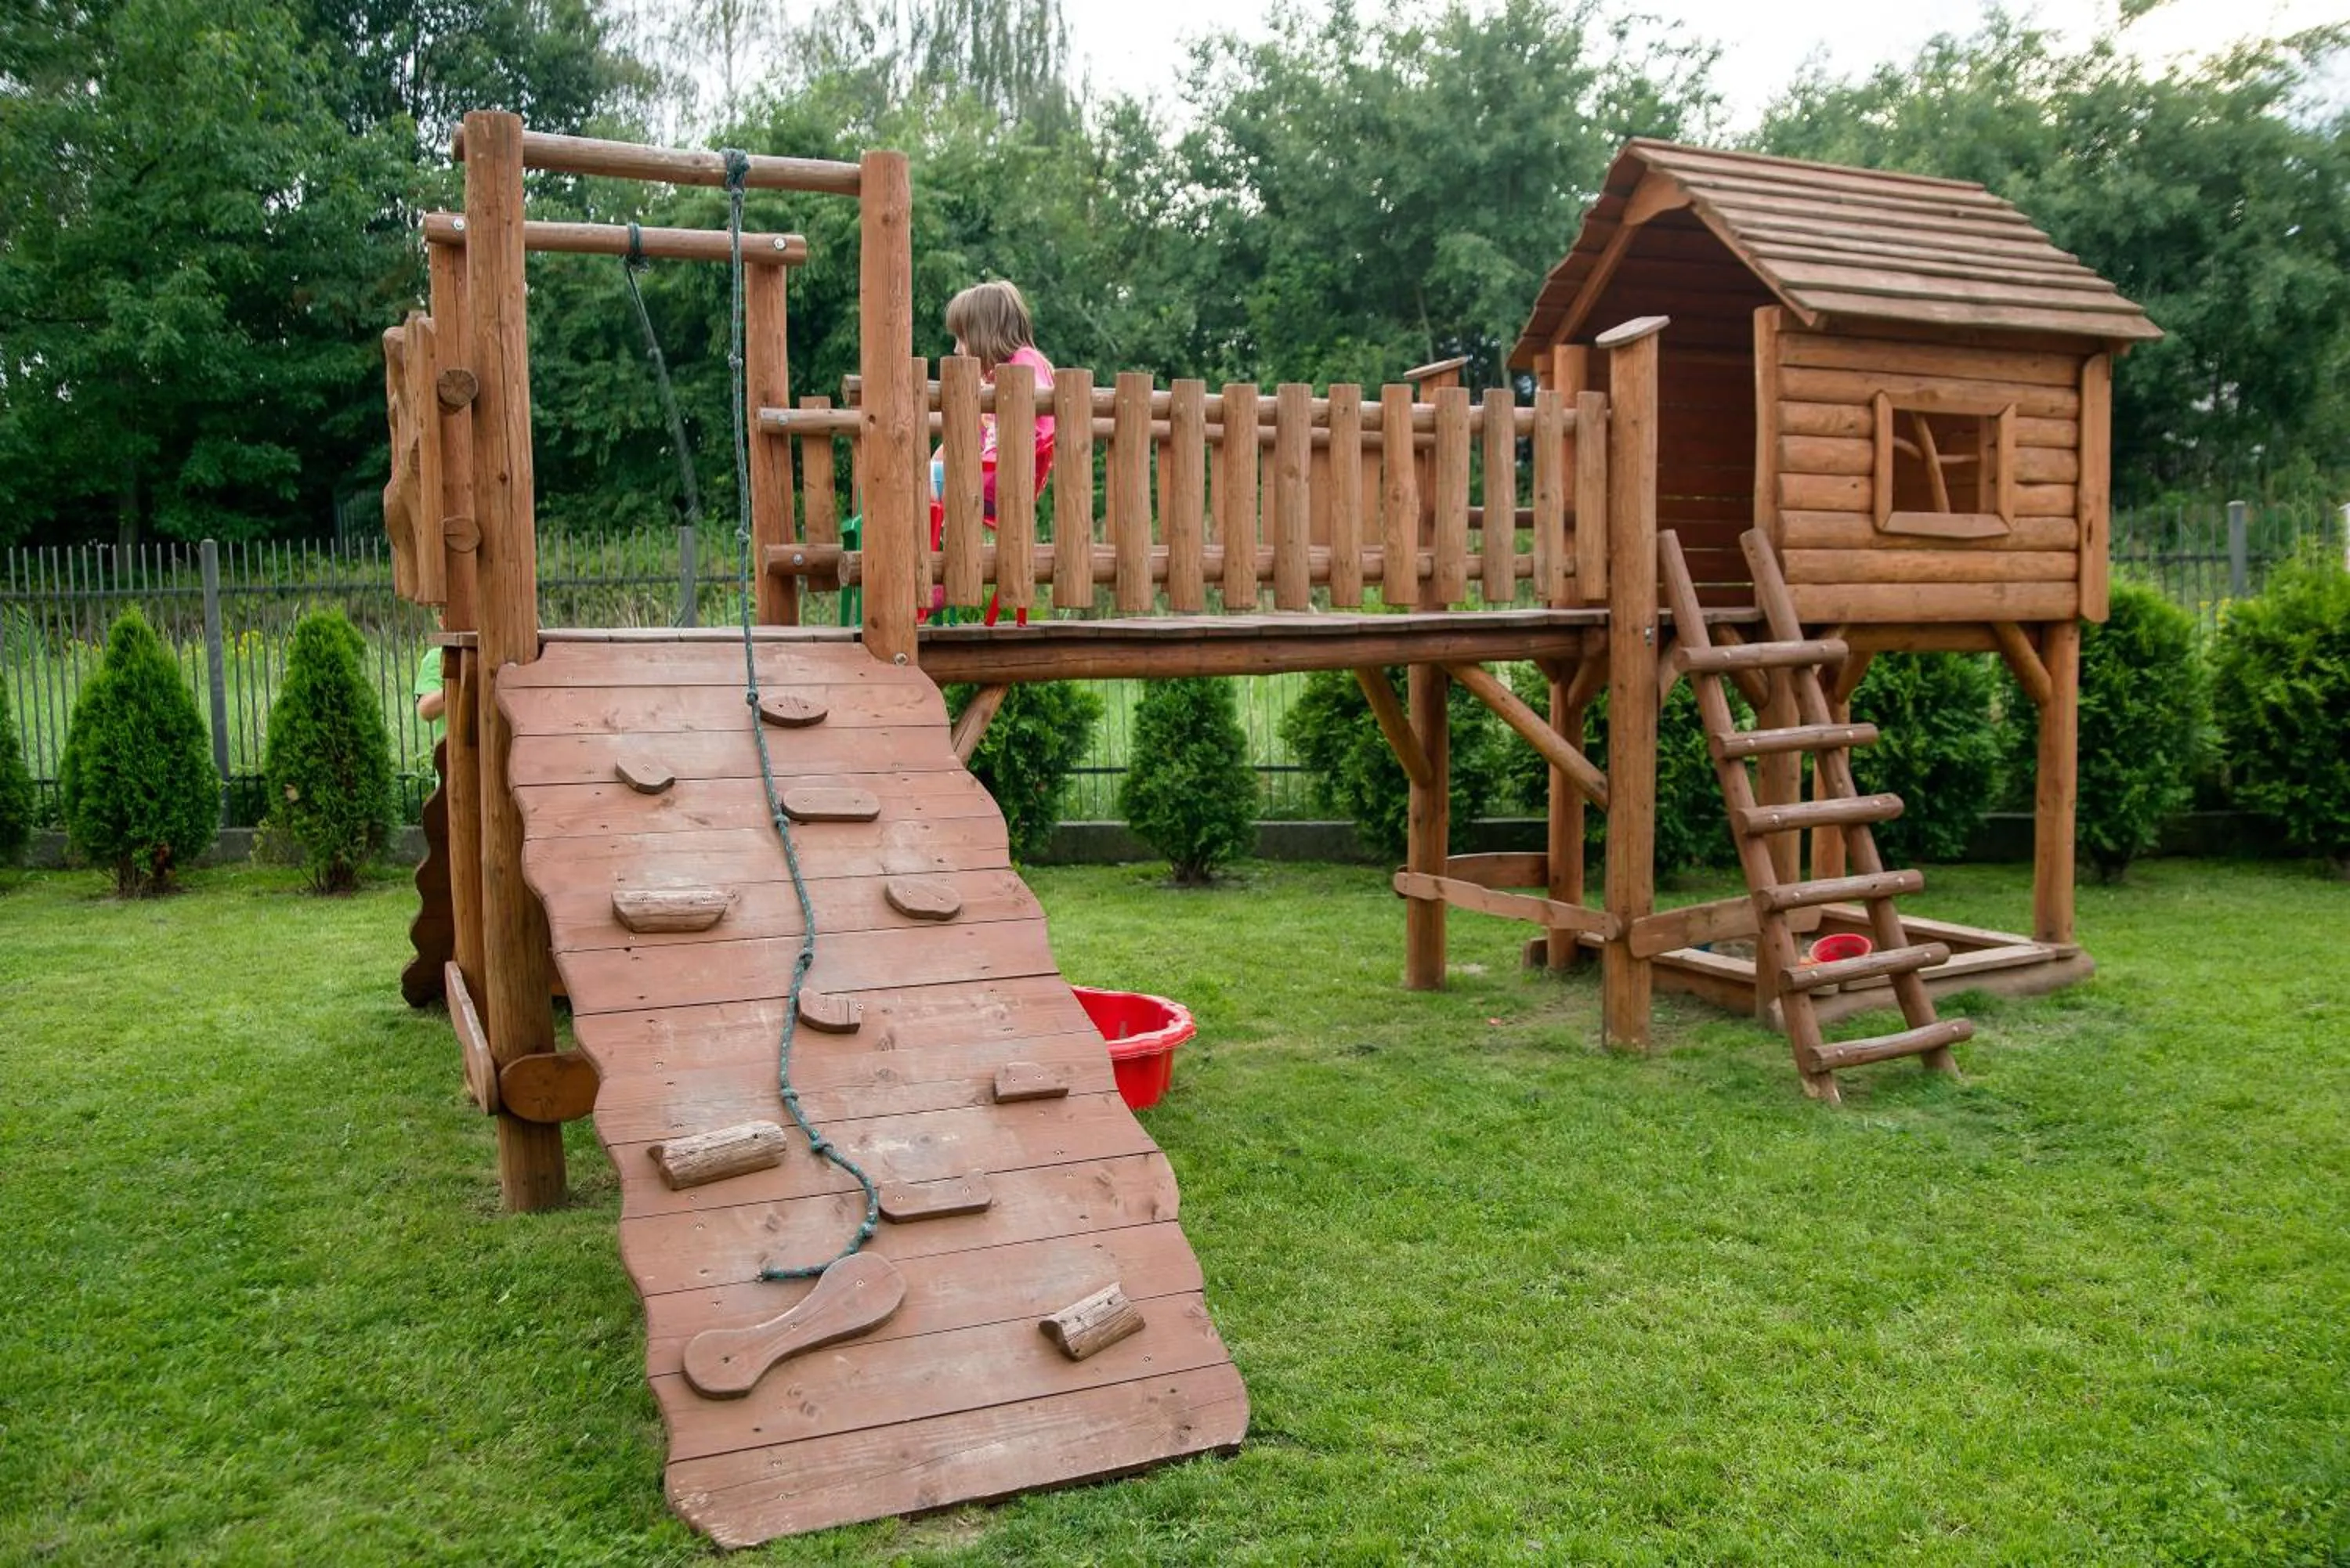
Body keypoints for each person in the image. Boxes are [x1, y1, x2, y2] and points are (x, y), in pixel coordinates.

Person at [926, 280, 1056, 626]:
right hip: (990, 478)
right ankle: (935, 568)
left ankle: (930, 574)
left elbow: (1033, 422)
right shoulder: (1008, 373)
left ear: (984, 333)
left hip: (996, 482)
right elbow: (971, 437)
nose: (957, 348)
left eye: (962, 337)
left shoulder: (1024, 365)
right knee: (921, 478)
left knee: (905, 487)